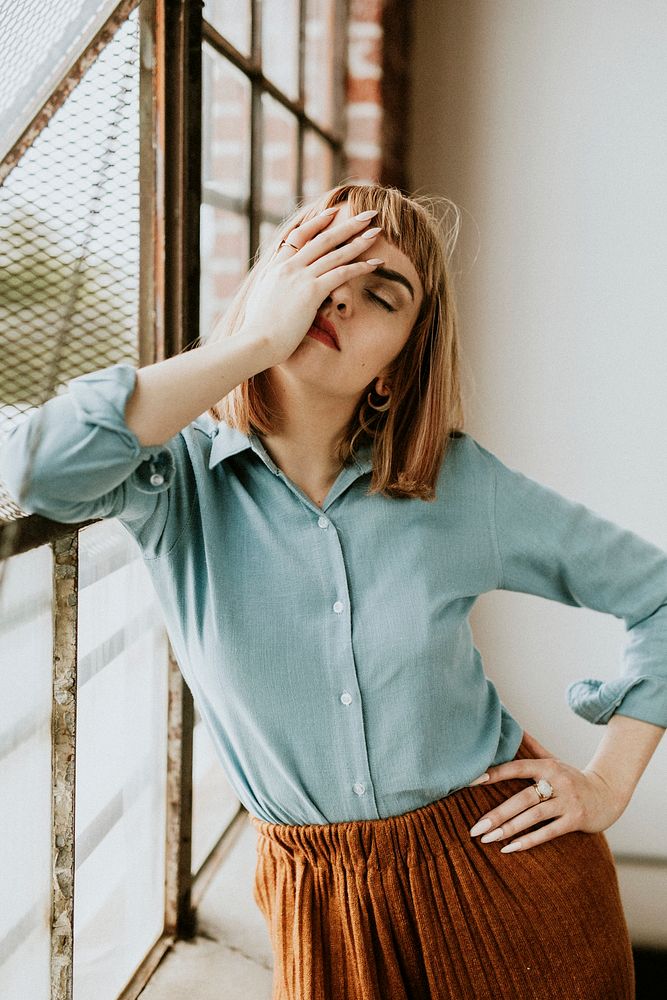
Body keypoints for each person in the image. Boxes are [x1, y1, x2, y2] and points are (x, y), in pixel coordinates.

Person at [1, 181, 665, 1000]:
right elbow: (34, 467)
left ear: (394, 369)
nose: (338, 297)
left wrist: (606, 786)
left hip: (509, 884)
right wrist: (249, 344)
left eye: (380, 295)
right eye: (317, 264)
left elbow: (659, 595)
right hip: (321, 907)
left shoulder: (456, 486)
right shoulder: (171, 477)